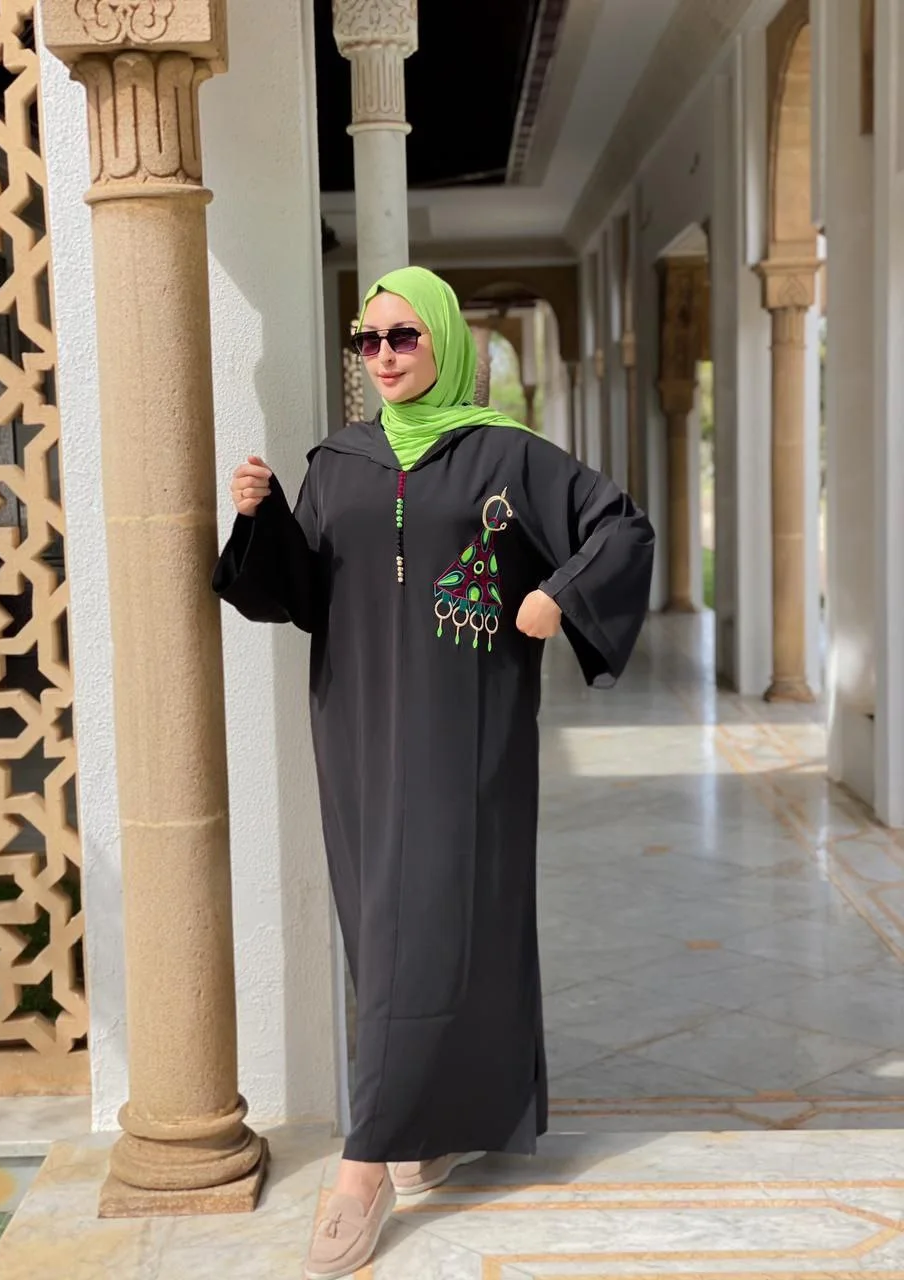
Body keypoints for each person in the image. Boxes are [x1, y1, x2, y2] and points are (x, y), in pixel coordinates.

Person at [213, 266, 654, 1279]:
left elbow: (618, 526)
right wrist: (263, 517)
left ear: (447, 341)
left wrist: (558, 592)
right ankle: (433, 1120)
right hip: (358, 728)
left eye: (403, 336)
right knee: (386, 928)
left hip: (470, 730)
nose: (383, 356)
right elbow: (302, 593)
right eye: (367, 340)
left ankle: (362, 1165)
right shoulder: (340, 462)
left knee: (449, 918)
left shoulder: (507, 454)